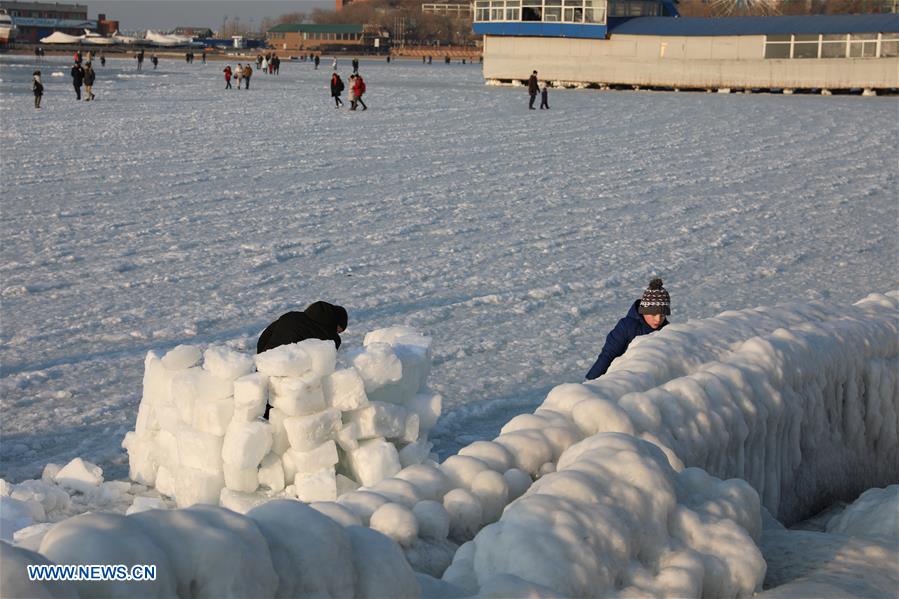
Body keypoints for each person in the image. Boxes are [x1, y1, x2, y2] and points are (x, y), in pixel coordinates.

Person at [257, 301, 348, 418]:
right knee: (280, 411)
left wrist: (262, 359)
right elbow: (324, 365)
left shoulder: (291, 316)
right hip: (289, 376)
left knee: (261, 402)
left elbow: (264, 337)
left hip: (266, 363)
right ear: (335, 322)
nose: (338, 333)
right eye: (339, 329)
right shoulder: (331, 338)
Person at [585, 278, 671, 380]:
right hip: (620, 377)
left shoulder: (668, 332)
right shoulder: (627, 326)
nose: (657, 319)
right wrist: (591, 380)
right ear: (643, 311)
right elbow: (608, 355)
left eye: (662, 315)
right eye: (653, 314)